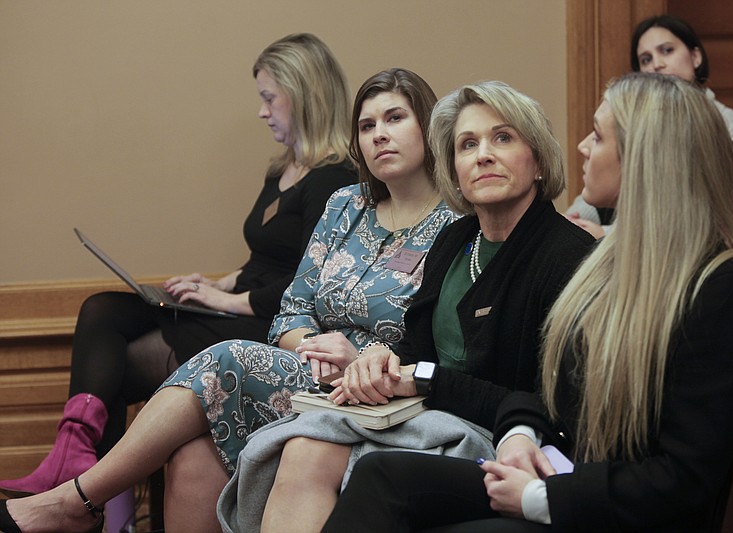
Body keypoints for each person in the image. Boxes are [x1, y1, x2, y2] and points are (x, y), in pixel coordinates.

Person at [0, 67, 455, 533]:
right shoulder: (345, 205)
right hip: (310, 377)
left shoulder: (457, 225)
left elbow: (446, 348)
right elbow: (291, 311)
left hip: (387, 395)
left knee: (227, 357)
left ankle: (75, 501)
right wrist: (316, 352)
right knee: (192, 454)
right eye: (366, 125)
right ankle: (76, 499)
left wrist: (357, 359)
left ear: (427, 125)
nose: (379, 135)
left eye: (394, 118)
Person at [321, 72, 733, 532]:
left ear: (644, 159)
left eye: (598, 136)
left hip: (608, 509)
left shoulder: (718, 293)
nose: (582, 147)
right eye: (466, 145)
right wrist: (519, 435)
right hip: (560, 471)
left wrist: (539, 496)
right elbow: (553, 394)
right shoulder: (614, 265)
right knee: (382, 474)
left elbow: (682, 481)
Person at [218, 81, 597, 533]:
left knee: (318, 449)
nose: (483, 155)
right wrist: (381, 361)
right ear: (452, 169)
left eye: (503, 138)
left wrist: (419, 378)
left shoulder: (567, 256)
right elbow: (417, 352)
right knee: (301, 443)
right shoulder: (456, 241)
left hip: (509, 439)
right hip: (426, 413)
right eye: (467, 144)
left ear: (537, 159)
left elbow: (546, 405)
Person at [0, 32, 356, 499]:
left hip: (265, 328)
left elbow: (308, 282)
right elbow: (265, 258)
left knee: (116, 365)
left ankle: (83, 492)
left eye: (269, 98)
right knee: (102, 310)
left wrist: (227, 298)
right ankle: (76, 465)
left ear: (304, 94)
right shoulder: (282, 169)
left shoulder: (336, 179)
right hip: (233, 306)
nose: (262, 111)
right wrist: (211, 283)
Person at [566, 14, 733, 239]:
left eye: (667, 50)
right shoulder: (641, 118)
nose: (657, 64)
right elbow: (614, 177)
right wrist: (572, 220)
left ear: (695, 56)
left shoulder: (722, 121)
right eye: (646, 59)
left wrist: (606, 234)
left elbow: (678, 204)